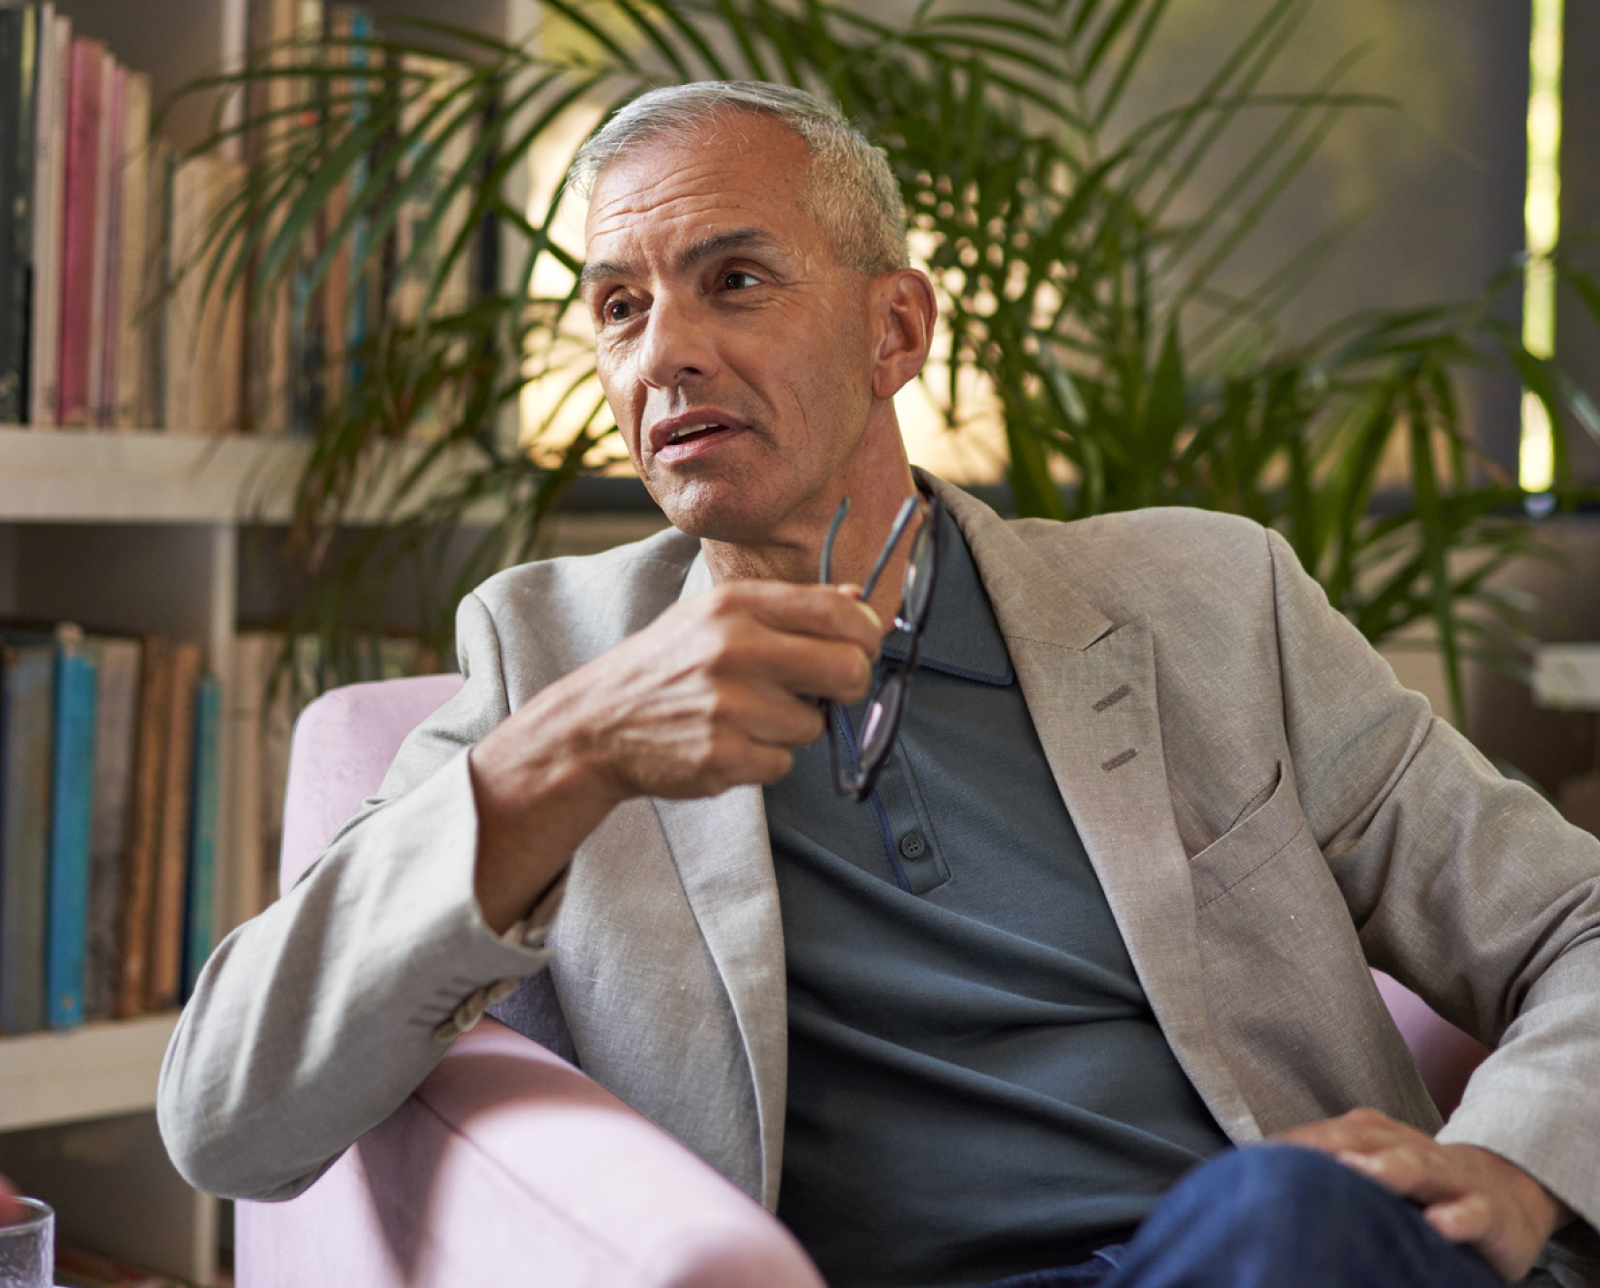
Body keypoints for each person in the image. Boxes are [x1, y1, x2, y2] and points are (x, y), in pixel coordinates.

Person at [158, 83, 1600, 1287]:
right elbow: (228, 1117)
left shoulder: (1209, 603)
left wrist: (1518, 1162)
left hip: (1271, 1256)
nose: (665, 350)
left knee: (1285, 1218)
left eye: (735, 280)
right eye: (616, 306)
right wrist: (569, 756)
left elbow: (1575, 922)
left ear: (895, 331)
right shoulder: (547, 658)